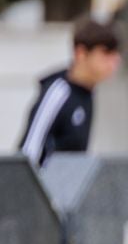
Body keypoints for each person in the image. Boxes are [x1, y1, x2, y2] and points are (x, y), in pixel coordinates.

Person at [17, 18, 122, 167]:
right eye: (106, 53)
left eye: (116, 54)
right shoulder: (58, 92)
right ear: (81, 53)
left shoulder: (88, 92)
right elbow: (27, 154)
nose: (115, 61)